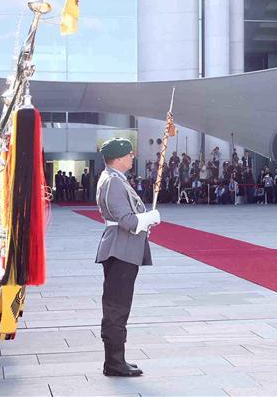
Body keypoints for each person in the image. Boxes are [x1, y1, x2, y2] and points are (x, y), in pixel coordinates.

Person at [95, 138, 161, 377]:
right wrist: (150, 218)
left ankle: (116, 359)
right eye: (130, 154)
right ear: (119, 158)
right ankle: (113, 363)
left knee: (119, 306)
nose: (133, 157)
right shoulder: (113, 182)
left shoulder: (116, 180)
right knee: (116, 307)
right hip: (120, 249)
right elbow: (129, 221)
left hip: (123, 248)